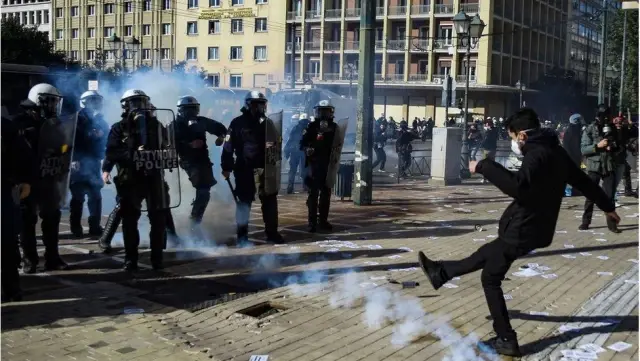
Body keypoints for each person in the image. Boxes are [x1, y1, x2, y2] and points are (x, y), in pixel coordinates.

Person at [417, 108, 619, 357]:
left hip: (524, 228)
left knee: (490, 278)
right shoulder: (555, 151)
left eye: (512, 137)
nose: (513, 142)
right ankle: (441, 273)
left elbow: (519, 188)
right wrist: (609, 207)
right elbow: (583, 181)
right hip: (536, 228)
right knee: (488, 254)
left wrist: (483, 166)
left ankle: (506, 339)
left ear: (522, 135)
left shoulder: (536, 154)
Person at [103, 89, 175, 271]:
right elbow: (111, 151)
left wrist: (168, 152)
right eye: (134, 103)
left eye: (141, 102)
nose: (138, 107)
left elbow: (168, 146)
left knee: (158, 219)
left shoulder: (155, 125)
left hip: (154, 178)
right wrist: (109, 167)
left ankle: (157, 259)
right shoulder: (119, 128)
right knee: (129, 221)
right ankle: (131, 259)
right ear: (125, 106)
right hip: (130, 180)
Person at [15, 83, 70, 273]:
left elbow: (63, 146)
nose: (54, 106)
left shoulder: (54, 124)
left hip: (48, 178)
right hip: (27, 180)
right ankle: (30, 260)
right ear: (40, 101)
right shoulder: (20, 123)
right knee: (27, 221)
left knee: (52, 218)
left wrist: (64, 156)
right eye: (51, 102)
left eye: (55, 102)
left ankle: (52, 258)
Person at [221, 91, 284, 244]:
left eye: (262, 104)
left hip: (265, 167)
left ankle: (272, 234)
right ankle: (242, 237)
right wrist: (226, 166)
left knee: (269, 200)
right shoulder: (237, 123)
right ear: (248, 105)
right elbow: (228, 146)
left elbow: (275, 144)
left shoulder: (268, 123)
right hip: (244, 168)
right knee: (244, 203)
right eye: (256, 104)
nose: (260, 108)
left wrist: (275, 159)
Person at [172, 95, 227, 238]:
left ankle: (195, 217)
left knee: (205, 191)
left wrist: (221, 136)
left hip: (203, 160)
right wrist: (188, 145)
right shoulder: (175, 125)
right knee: (203, 190)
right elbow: (169, 143)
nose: (192, 113)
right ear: (181, 111)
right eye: (188, 110)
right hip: (188, 161)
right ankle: (193, 224)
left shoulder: (201, 121)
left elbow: (220, 128)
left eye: (194, 109)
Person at [2, 116, 36, 301]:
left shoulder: (5, 126)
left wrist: (26, 180)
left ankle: (11, 288)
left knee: (7, 241)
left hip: (2, 190)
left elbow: (23, 155)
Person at [69, 90, 110, 238]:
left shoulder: (100, 120)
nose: (96, 104)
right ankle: (75, 227)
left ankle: (94, 226)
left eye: (97, 100)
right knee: (78, 197)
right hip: (78, 163)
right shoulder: (76, 119)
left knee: (95, 196)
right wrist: (73, 159)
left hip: (93, 162)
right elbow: (71, 141)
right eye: (93, 100)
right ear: (85, 102)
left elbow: (105, 139)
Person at [579, 105, 621, 233]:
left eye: (608, 116)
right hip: (594, 166)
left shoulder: (612, 129)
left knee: (609, 197)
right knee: (591, 195)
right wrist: (597, 146)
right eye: (604, 116)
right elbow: (584, 149)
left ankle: (612, 224)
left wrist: (612, 147)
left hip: (608, 166)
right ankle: (585, 222)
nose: (607, 119)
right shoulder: (590, 129)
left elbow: (619, 146)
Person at [300, 100, 339, 232]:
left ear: (330, 112)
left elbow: (338, 144)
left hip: (327, 166)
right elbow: (302, 143)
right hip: (313, 166)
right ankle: (312, 222)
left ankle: (323, 220)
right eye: (321, 111)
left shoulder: (334, 127)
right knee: (313, 194)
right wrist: (307, 149)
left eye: (326, 111)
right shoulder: (311, 127)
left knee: (326, 194)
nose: (323, 113)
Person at [284, 112, 310, 194]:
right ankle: (305, 186)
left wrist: (287, 152)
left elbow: (290, 140)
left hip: (297, 151)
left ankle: (291, 186)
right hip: (302, 151)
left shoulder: (295, 128)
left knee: (294, 170)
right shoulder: (309, 129)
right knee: (304, 169)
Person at [480, 119, 499, 184]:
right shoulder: (495, 130)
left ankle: (485, 178)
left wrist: (487, 130)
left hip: (487, 148)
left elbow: (486, 138)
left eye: (487, 124)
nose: (486, 125)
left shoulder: (488, 131)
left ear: (488, 124)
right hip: (493, 148)